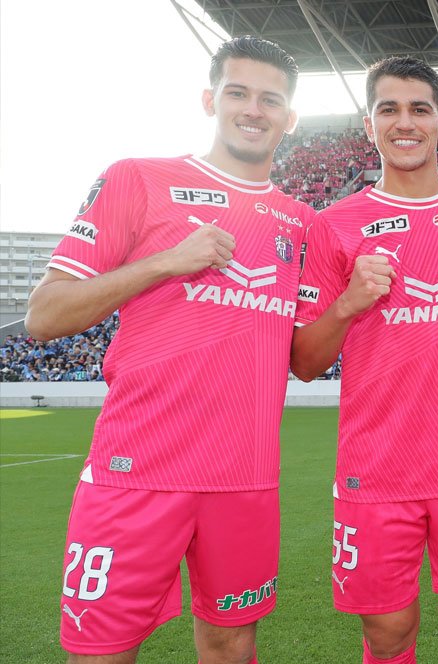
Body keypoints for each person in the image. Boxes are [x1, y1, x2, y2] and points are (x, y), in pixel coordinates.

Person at [25, 36, 311, 664]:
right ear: (211, 100)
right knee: (100, 650)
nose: (253, 110)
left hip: (245, 477)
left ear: (289, 119)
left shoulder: (300, 221)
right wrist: (167, 263)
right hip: (137, 472)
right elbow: (43, 316)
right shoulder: (138, 178)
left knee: (232, 641)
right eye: (238, 93)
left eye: (271, 100)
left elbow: (305, 357)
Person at [290, 56, 438, 664]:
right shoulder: (335, 225)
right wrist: (347, 303)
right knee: (387, 634)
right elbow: (306, 362)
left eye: (420, 109)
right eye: (388, 109)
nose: (405, 122)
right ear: (370, 126)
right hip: (375, 468)